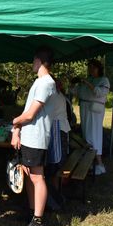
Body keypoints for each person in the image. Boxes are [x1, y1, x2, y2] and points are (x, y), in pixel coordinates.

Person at [11, 47, 56, 226]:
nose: (32, 64)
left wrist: (14, 122)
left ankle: (38, 221)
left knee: (38, 177)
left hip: (37, 137)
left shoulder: (47, 83)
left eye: (33, 60)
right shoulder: (39, 82)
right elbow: (27, 112)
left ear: (39, 61)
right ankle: (31, 212)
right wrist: (17, 130)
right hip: (29, 136)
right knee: (29, 175)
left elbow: (30, 114)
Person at [71, 59, 110, 175]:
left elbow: (99, 93)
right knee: (86, 135)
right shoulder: (88, 79)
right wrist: (73, 84)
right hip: (85, 108)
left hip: (94, 110)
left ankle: (100, 164)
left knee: (94, 135)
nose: (91, 69)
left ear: (99, 68)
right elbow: (77, 92)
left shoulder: (103, 80)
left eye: (93, 67)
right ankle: (89, 162)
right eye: (89, 67)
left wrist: (86, 82)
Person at [45, 77, 71, 209]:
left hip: (58, 131)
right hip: (62, 130)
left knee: (55, 165)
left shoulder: (54, 96)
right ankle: (55, 196)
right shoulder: (60, 95)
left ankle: (54, 199)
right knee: (56, 165)